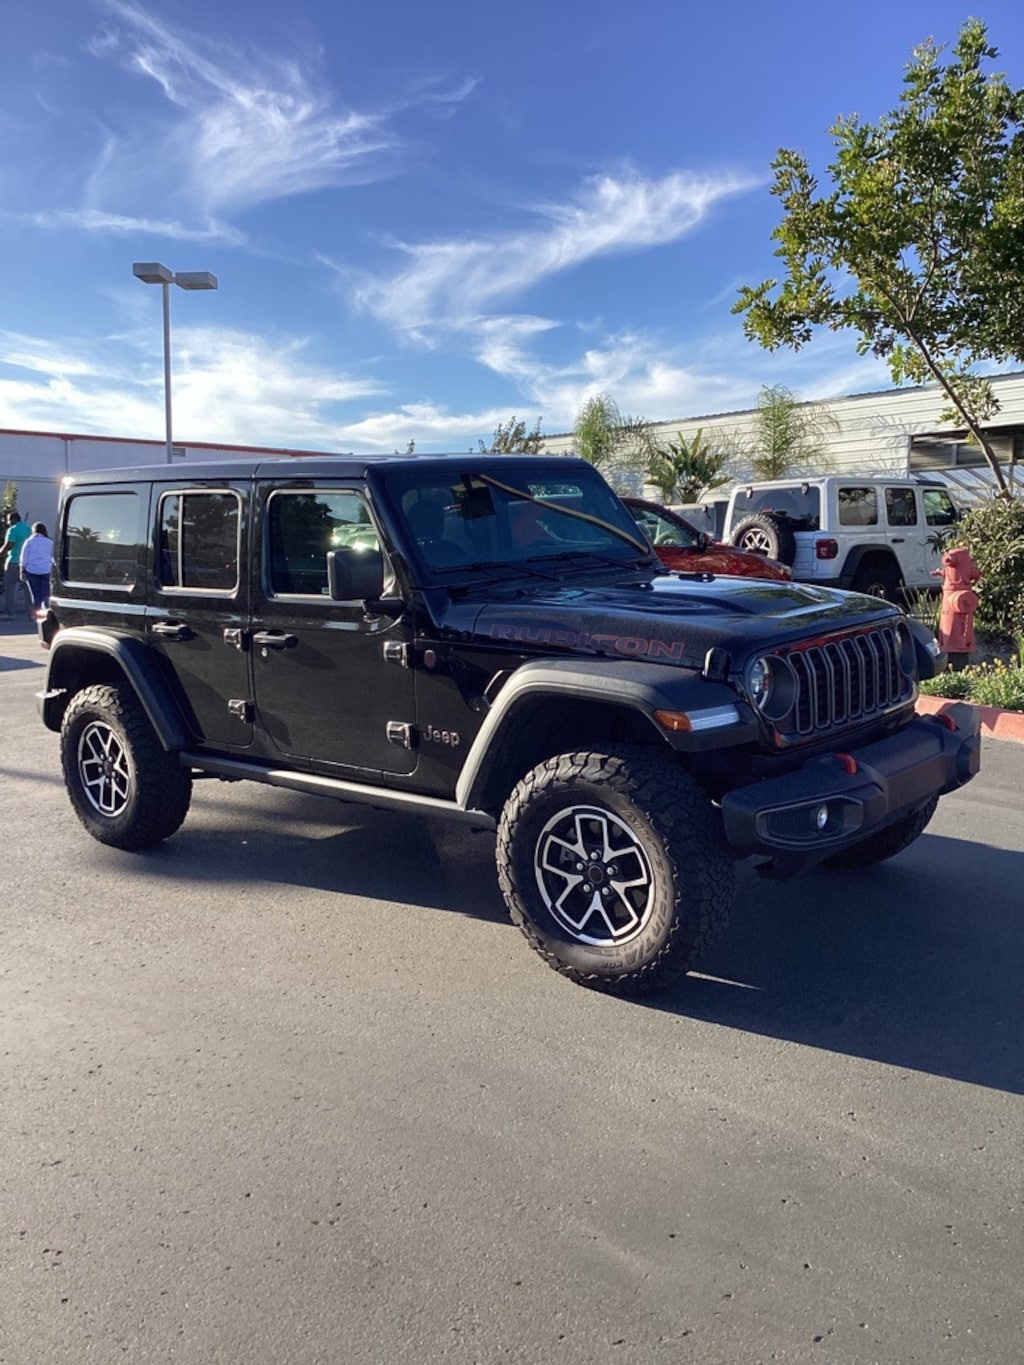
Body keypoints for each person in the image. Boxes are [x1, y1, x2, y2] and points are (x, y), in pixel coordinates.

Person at [1, 511, 32, 618]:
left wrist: (1, 553)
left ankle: (9, 611)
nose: (8, 522)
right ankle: (31, 612)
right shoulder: (28, 529)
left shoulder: (12, 529)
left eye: (9, 520)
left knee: (9, 587)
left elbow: (9, 544)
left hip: (13, 561)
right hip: (26, 562)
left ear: (13, 519)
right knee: (27, 588)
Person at [20, 521, 54, 612]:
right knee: (46, 594)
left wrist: (22, 570)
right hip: (46, 570)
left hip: (32, 570)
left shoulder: (29, 541)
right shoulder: (49, 542)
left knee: (35, 595)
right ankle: (47, 613)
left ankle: (37, 615)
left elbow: (24, 557)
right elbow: (53, 557)